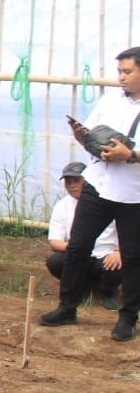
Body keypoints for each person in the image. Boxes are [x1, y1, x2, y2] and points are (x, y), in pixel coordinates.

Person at [41, 46, 140, 341]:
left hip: (134, 194)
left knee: (133, 257)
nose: (121, 78)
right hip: (98, 183)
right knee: (77, 246)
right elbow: (94, 136)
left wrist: (131, 154)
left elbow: (130, 153)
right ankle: (67, 308)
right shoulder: (111, 100)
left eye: (127, 72)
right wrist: (83, 136)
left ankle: (128, 318)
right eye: (119, 72)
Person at [44, 161, 121, 310]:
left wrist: (119, 252)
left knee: (119, 265)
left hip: (106, 256)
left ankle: (108, 291)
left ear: (88, 180)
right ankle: (82, 287)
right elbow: (54, 243)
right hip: (79, 254)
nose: (72, 185)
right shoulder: (62, 206)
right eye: (68, 181)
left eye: (76, 180)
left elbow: (126, 233)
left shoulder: (108, 201)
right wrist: (76, 248)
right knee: (55, 262)